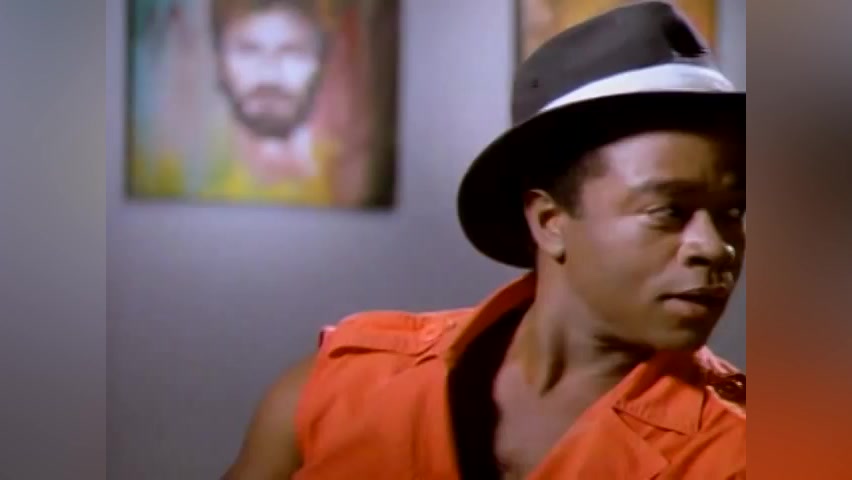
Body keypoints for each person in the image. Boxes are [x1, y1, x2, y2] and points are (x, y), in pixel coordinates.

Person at [223, 2, 746, 478]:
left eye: (732, 212)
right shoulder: (341, 387)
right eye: (669, 211)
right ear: (550, 221)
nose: (715, 246)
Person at [202, 0, 334, 204]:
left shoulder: (347, 174)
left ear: (321, 63)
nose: (269, 74)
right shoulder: (179, 173)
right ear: (219, 61)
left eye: (292, 51)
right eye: (248, 50)